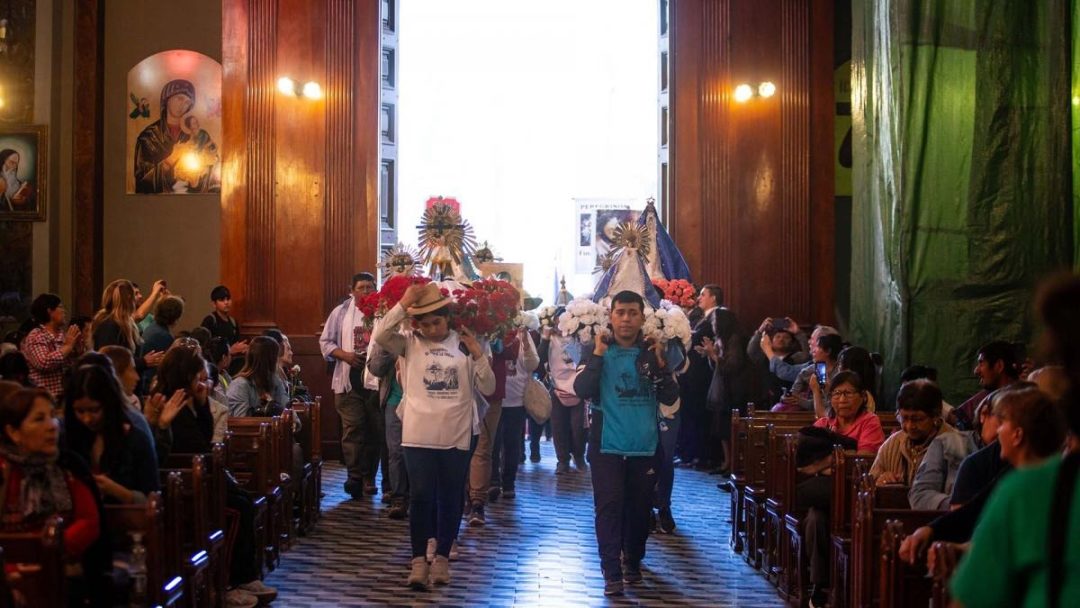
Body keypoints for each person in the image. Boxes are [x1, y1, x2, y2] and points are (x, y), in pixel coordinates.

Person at [374, 282, 494, 590]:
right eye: (424, 324)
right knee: (421, 496)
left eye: (436, 322)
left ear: (448, 318)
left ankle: (442, 556)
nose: (430, 329)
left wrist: (479, 354)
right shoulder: (409, 343)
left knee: (452, 495)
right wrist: (402, 304)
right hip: (418, 433)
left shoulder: (465, 343)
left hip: (456, 433)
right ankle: (417, 562)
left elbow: (490, 388)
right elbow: (381, 336)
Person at [149, 345, 277, 606]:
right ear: (186, 376)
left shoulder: (189, 401)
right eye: (199, 377)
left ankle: (244, 576)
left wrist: (202, 404)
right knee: (238, 510)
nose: (203, 382)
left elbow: (204, 441)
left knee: (242, 500)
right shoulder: (168, 402)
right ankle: (230, 583)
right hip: (184, 488)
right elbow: (195, 446)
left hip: (200, 479)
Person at [574, 290, 680, 597]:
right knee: (608, 508)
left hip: (644, 446)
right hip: (606, 446)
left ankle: (632, 560)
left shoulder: (652, 352)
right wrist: (596, 355)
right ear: (611, 316)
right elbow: (582, 388)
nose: (626, 319)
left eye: (633, 313)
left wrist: (660, 364)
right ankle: (611, 571)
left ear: (642, 318)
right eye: (620, 312)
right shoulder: (597, 350)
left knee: (638, 509)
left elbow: (670, 397)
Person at [0, 387, 108, 603]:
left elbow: (89, 521)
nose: (52, 426)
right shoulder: (3, 471)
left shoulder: (67, 466)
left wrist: (49, 554)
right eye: (39, 419)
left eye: (52, 416)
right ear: (14, 432)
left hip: (62, 568)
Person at [318, 272, 381, 498]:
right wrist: (344, 355)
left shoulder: (381, 311)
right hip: (348, 378)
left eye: (370, 287)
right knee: (353, 428)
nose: (366, 291)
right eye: (362, 287)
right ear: (351, 290)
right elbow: (325, 342)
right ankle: (354, 475)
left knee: (375, 430)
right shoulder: (341, 312)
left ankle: (369, 477)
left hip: (375, 380)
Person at [64, 364, 159, 505]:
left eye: (94, 410)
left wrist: (114, 490)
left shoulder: (135, 440)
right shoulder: (69, 439)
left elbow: (152, 500)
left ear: (108, 404)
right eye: (80, 411)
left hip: (128, 522)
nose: (87, 419)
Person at [133, 78, 220, 193]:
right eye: (180, 98)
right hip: (156, 207)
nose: (183, 105)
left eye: (188, 102)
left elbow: (215, 179)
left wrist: (204, 168)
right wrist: (170, 160)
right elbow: (142, 184)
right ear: (167, 99)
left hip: (194, 205)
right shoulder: (149, 137)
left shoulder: (198, 136)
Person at [870, 379, 953, 486]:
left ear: (936, 416)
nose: (910, 426)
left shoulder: (954, 446)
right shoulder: (892, 445)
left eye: (917, 419)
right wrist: (880, 482)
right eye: (904, 418)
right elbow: (870, 485)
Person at [489, 327, 540, 500]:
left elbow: (533, 364)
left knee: (512, 444)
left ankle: (509, 483)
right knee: (492, 443)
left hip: (516, 399)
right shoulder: (492, 332)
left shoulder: (522, 334)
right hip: (494, 398)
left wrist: (525, 343)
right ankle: (493, 482)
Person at [539, 309, 587, 474]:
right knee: (558, 427)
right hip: (556, 387)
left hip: (576, 388)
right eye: (558, 321)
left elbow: (580, 361)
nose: (560, 325)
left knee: (578, 427)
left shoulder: (576, 339)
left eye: (564, 321)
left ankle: (579, 456)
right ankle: (562, 461)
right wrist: (545, 339)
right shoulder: (549, 339)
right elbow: (540, 361)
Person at [91, 279, 165, 375]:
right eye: (135, 294)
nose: (139, 297)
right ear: (129, 299)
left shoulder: (120, 323)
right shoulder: (109, 325)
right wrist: (143, 362)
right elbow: (111, 360)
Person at [20, 293, 83, 399]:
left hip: (64, 396)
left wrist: (78, 351)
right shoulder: (37, 335)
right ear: (50, 311)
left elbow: (70, 366)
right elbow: (43, 363)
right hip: (44, 397)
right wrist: (67, 346)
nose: (64, 311)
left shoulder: (63, 335)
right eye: (61, 307)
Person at [951, 340, 1021, 430]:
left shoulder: (1018, 404)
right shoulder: (985, 397)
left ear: (999, 366)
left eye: (981, 363)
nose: (976, 371)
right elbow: (958, 419)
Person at [226, 336, 289, 417]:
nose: (277, 362)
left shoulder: (275, 381)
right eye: (276, 358)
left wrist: (274, 407)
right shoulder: (240, 385)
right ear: (269, 360)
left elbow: (291, 415)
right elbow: (241, 423)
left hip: (274, 428)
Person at [200, 285, 249, 372]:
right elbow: (205, 348)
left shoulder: (233, 322)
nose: (226, 302)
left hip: (230, 365)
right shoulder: (210, 320)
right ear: (214, 304)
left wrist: (242, 348)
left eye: (228, 299)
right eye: (222, 300)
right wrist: (230, 350)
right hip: (214, 366)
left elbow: (235, 343)